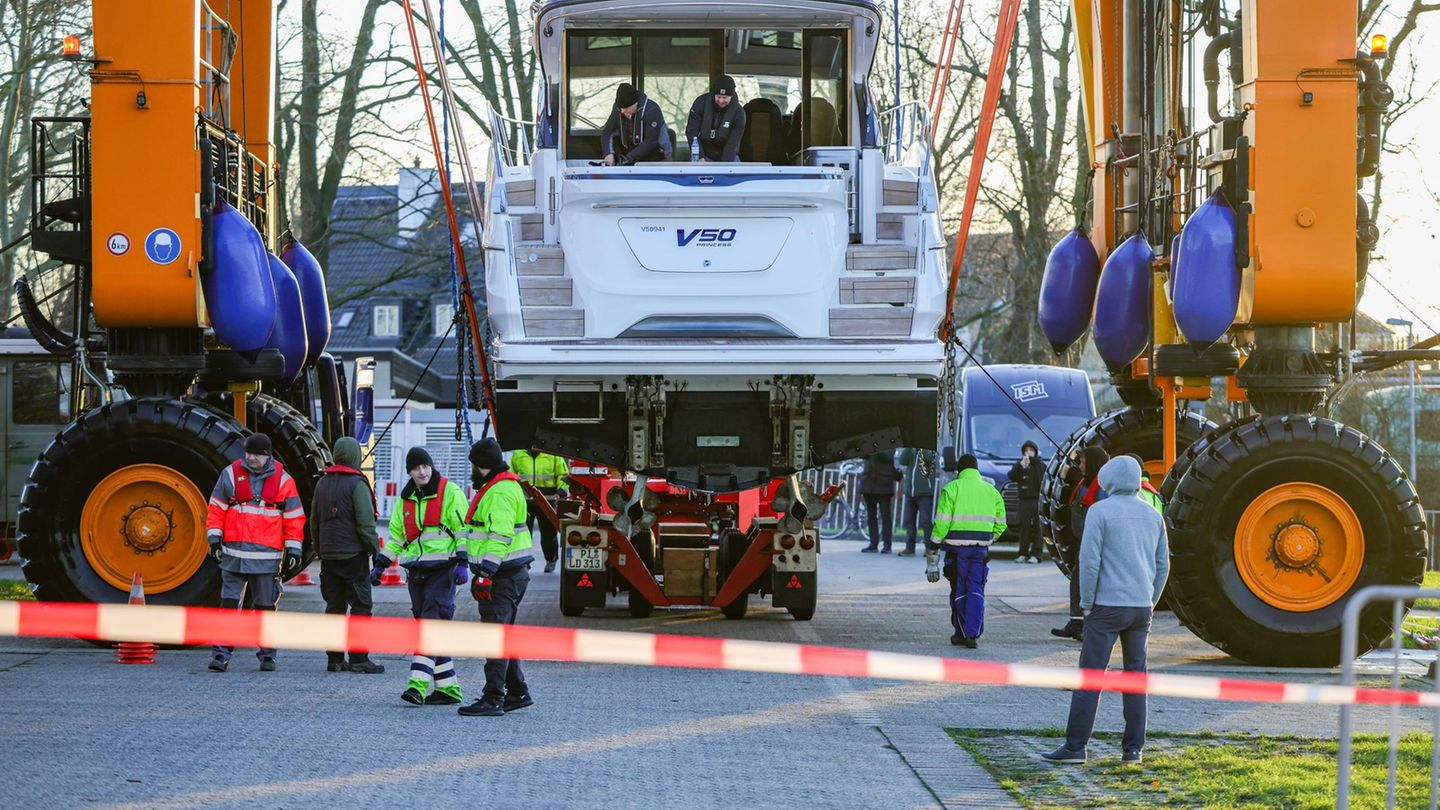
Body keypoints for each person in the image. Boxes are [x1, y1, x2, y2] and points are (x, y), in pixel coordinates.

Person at [1042, 455, 1169, 764]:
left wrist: (1086, 603)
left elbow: (1089, 562)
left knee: (1091, 675)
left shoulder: (1100, 511)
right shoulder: (1153, 515)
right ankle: (1133, 750)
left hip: (1107, 606)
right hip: (1140, 608)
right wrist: (1150, 600)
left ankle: (1075, 747)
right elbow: (1163, 564)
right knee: (1135, 677)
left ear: (1109, 480)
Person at [373, 447, 469, 706]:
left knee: (430, 627)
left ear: (431, 466)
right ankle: (449, 690)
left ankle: (416, 686)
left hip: (443, 570)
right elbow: (397, 537)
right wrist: (381, 564)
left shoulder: (450, 492)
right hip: (416, 573)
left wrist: (463, 562)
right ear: (410, 472)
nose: (422, 471)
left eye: (425, 466)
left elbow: (463, 530)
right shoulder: (405, 500)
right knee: (431, 628)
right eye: (416, 468)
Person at [204, 433, 305, 672]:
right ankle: (221, 654)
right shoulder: (230, 474)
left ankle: (267, 655)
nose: (250, 458)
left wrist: (294, 550)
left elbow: (294, 518)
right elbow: (216, 509)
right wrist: (214, 540)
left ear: (267, 455)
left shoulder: (284, 481)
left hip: (265, 559)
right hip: (234, 555)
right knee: (228, 606)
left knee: (265, 608)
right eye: (247, 453)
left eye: (256, 454)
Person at [458, 438, 536, 717]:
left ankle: (493, 698)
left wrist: (486, 573)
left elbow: (500, 536)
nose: (471, 470)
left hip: (502, 575)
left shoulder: (500, 492)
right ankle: (518, 692)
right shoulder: (503, 486)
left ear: (481, 466)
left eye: (473, 465)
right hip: (510, 574)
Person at [311, 436, 384, 674]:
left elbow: (314, 521)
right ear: (355, 456)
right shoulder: (357, 484)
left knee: (334, 608)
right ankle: (359, 659)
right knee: (361, 608)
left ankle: (334, 659)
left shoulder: (322, 483)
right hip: (353, 556)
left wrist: (320, 548)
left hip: (329, 557)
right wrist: (375, 550)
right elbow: (365, 524)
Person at [926, 452, 1006, 648]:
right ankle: (973, 633)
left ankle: (961, 634)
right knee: (976, 589)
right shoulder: (992, 491)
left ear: (959, 471)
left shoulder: (951, 489)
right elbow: (1001, 524)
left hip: (956, 551)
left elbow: (942, 522)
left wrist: (934, 545)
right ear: (976, 469)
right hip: (980, 551)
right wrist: (990, 538)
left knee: (959, 589)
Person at [1051, 446, 1110, 641]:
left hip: (1095, 546)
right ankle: (1076, 622)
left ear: (1092, 463)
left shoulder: (1102, 490)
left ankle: (1088, 626)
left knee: (1090, 585)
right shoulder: (1085, 483)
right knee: (1077, 582)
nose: (1080, 464)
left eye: (1083, 461)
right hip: (1082, 543)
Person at [511, 449, 568, 573]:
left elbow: (563, 475)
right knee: (523, 533)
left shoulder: (553, 455)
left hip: (548, 500)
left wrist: (560, 492)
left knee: (548, 534)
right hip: (525, 500)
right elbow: (512, 477)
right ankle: (524, 561)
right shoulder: (518, 455)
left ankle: (551, 559)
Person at [600, 83, 671, 165]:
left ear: (635, 103)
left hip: (657, 159)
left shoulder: (652, 110)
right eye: (620, 109)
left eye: (626, 109)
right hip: (631, 159)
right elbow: (607, 132)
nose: (622, 112)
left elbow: (651, 140)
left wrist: (628, 158)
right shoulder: (619, 110)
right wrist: (608, 153)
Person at [685, 74, 747, 162]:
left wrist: (725, 167)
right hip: (703, 153)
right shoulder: (700, 103)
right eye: (718, 97)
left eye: (724, 97)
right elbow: (692, 131)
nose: (721, 101)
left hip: (728, 154)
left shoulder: (739, 113)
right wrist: (700, 157)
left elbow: (732, 143)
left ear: (731, 96)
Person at [896, 447, 938, 557]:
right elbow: (902, 461)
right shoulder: (911, 450)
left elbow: (931, 461)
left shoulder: (930, 449)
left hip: (925, 492)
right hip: (910, 492)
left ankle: (929, 548)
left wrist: (922, 448)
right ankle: (910, 548)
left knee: (926, 521)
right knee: (909, 521)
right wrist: (909, 447)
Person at [1007, 440, 1044, 563]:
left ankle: (1036, 554)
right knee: (1024, 527)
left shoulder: (1039, 464)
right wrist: (1020, 466)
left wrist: (1033, 463)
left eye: (1031, 450)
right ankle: (1023, 553)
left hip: (1037, 500)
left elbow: (1041, 479)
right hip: (1024, 500)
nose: (1028, 452)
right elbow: (1012, 476)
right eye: (1026, 450)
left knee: (1038, 528)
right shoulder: (1020, 464)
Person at [858, 451, 901, 553]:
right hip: (869, 484)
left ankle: (887, 545)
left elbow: (888, 455)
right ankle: (873, 544)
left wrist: (875, 448)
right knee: (871, 516)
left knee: (885, 516)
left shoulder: (889, 441)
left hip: (884, 485)